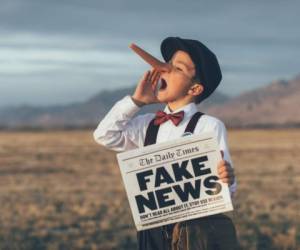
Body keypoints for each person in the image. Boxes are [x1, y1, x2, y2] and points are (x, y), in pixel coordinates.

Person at [93, 37, 238, 250]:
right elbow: (104, 135)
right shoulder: (146, 124)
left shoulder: (209, 126)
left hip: (193, 232)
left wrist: (227, 179)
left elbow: (227, 192)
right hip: (151, 232)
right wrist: (136, 102)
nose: (164, 70)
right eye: (167, 64)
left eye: (177, 68)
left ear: (195, 89)